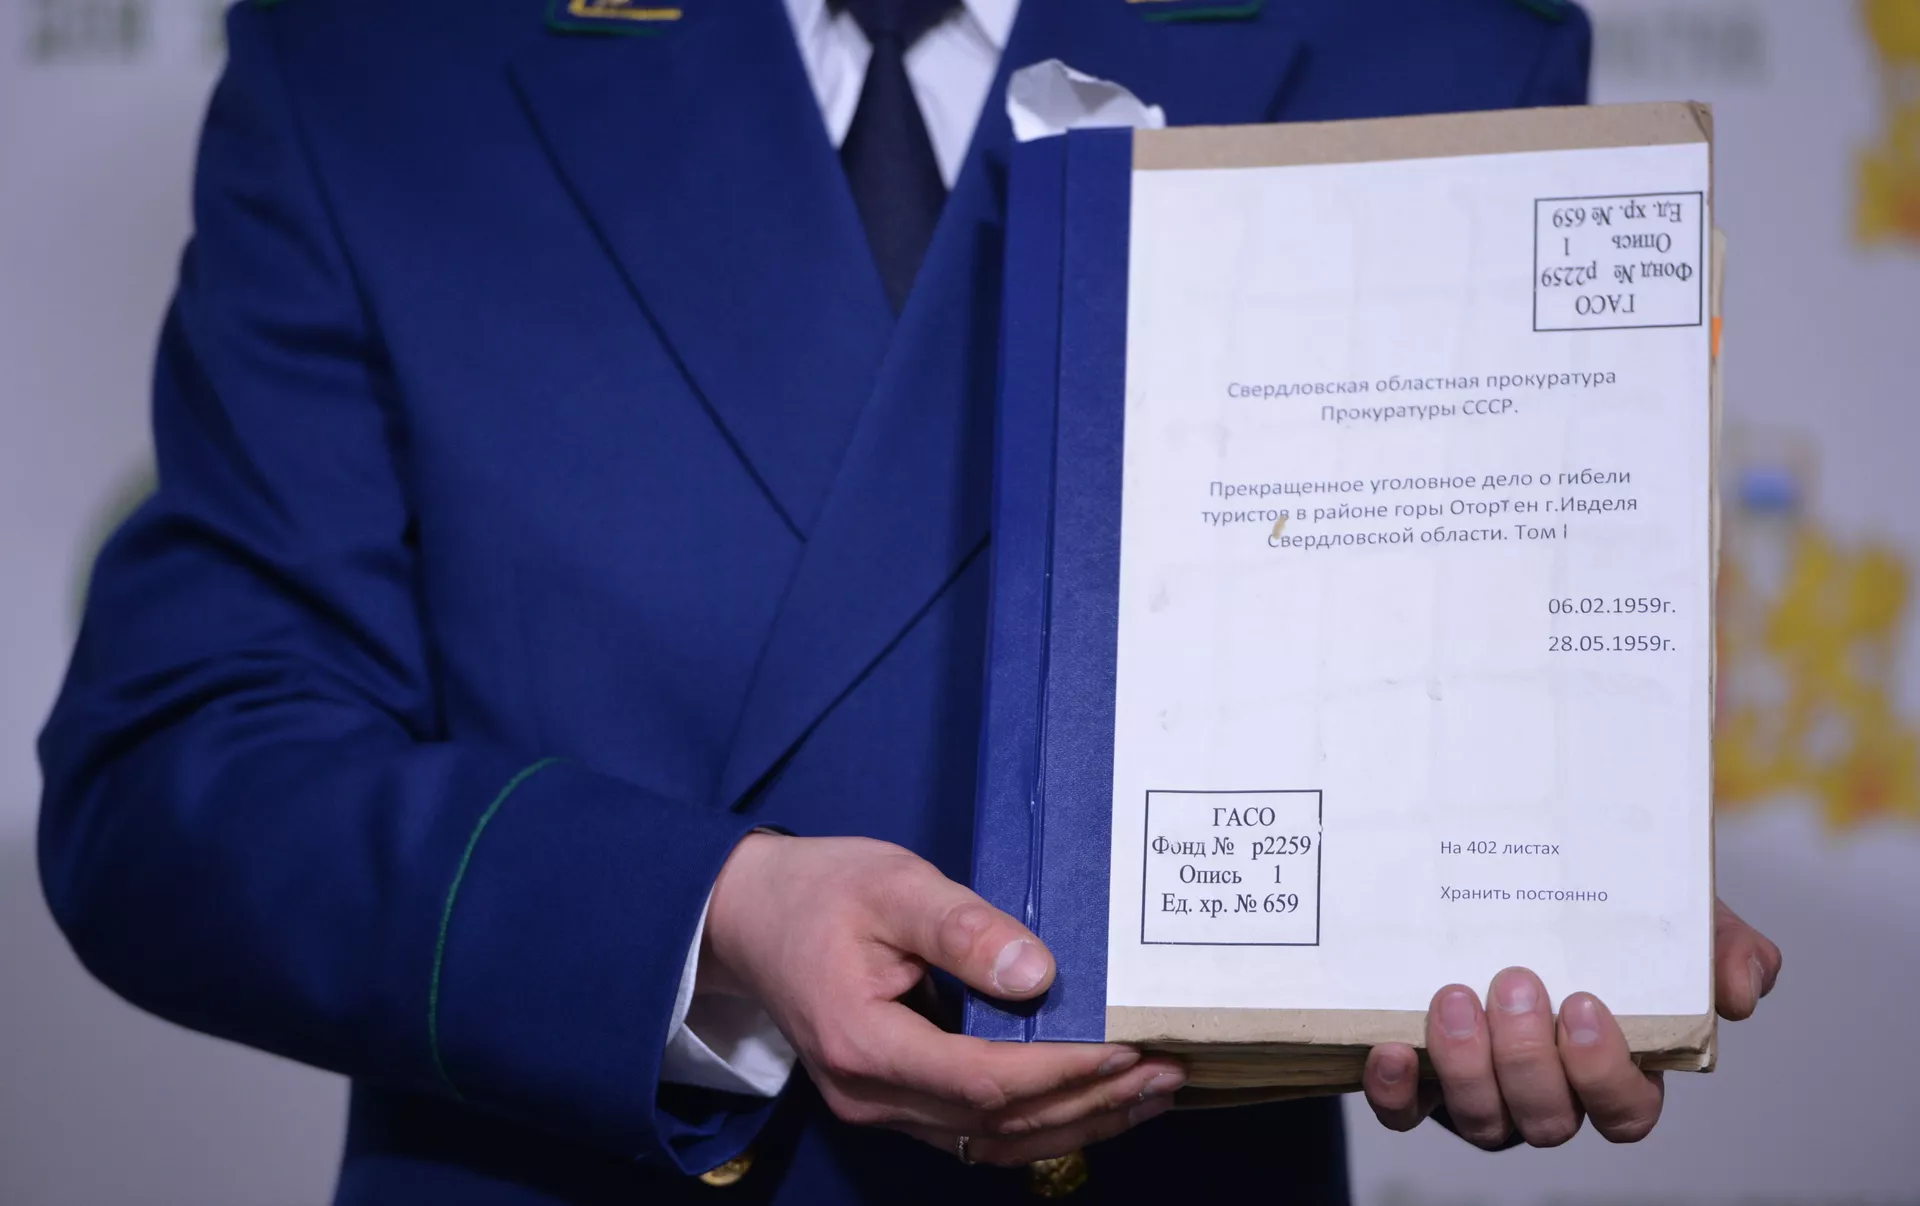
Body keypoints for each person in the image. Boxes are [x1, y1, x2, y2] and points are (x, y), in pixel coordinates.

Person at [37, 0, 1780, 1202]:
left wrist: (1539, 890)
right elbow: (178, 768)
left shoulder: (1429, 42)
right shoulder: (379, 58)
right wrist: (698, 921)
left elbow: (1462, 680)